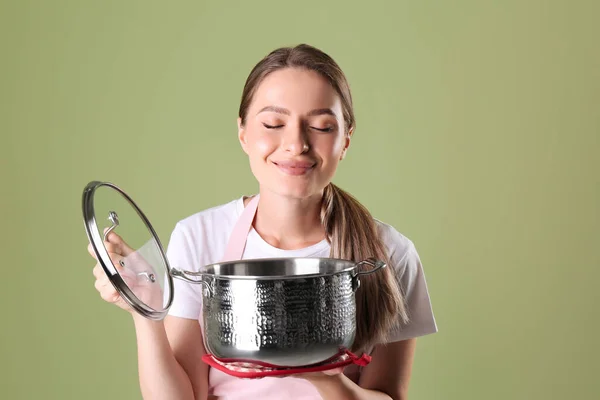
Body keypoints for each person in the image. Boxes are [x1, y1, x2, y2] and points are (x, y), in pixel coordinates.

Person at [90, 43, 437, 400]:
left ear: (346, 139)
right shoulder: (199, 237)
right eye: (273, 123)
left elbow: (388, 396)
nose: (295, 144)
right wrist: (144, 311)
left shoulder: (389, 254)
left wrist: (322, 374)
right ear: (243, 133)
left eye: (320, 126)